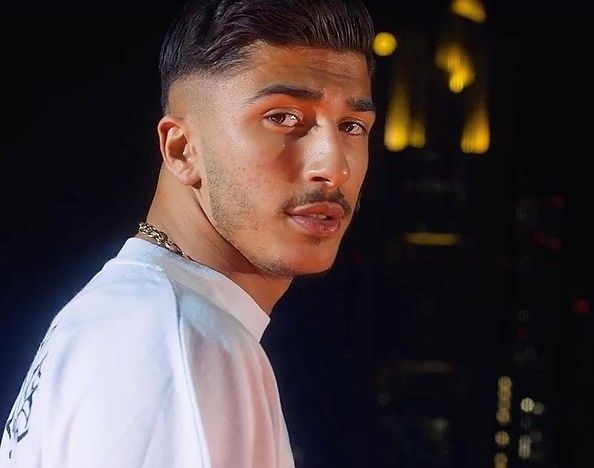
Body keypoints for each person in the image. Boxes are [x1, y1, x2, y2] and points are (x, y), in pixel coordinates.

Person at [0, 0, 376, 466]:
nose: (333, 167)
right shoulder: (181, 337)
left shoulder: (137, 315)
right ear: (181, 150)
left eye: (352, 126)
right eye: (282, 118)